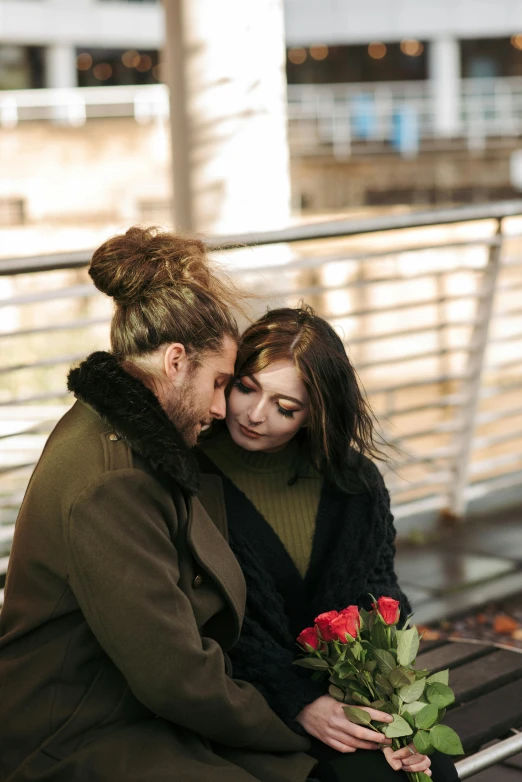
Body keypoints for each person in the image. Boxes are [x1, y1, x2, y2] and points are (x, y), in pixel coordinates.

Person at [0, 229, 317, 782]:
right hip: (72, 735)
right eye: (220, 383)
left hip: (130, 712)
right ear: (175, 362)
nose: (223, 408)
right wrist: (295, 723)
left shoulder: (131, 438)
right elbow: (173, 677)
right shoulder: (113, 481)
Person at [199, 305, 459, 782]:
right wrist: (299, 700)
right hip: (243, 703)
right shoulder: (188, 477)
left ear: (315, 412)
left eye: (285, 407)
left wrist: (392, 714)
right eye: (246, 388)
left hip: (341, 697)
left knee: (431, 773)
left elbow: (380, 596)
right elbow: (203, 623)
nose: (255, 415)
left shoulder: (354, 482)